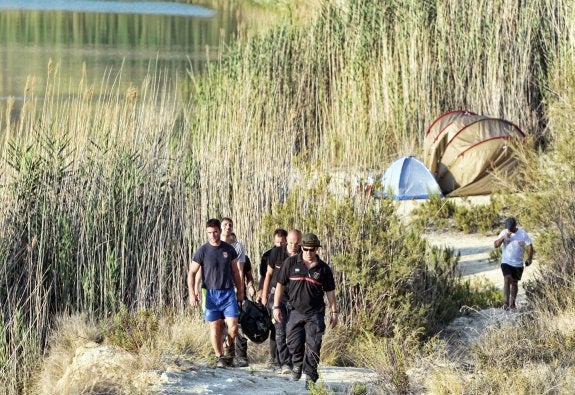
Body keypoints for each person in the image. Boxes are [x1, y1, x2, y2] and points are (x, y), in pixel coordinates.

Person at [273, 233, 338, 390]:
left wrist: (335, 312)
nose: (309, 252)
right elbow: (280, 284)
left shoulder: (323, 269)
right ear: (301, 248)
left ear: (317, 249)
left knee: (314, 346)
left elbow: (330, 292)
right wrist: (275, 306)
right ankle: (297, 364)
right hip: (295, 311)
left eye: (312, 249)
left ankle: (310, 376)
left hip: (315, 313)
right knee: (293, 343)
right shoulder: (290, 263)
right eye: (306, 249)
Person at [187, 218, 244, 368]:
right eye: (209, 233)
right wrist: (192, 293)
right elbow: (191, 273)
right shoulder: (202, 251)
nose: (213, 235)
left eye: (215, 232)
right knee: (215, 325)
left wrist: (241, 291)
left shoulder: (229, 249)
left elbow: (236, 272)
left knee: (233, 326)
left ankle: (230, 347)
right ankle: (220, 357)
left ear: (220, 231)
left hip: (228, 292)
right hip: (210, 294)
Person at [262, 229, 301, 374]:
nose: (293, 246)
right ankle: (284, 363)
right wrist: (264, 295)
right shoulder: (276, 253)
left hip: (295, 298)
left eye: (296, 244)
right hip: (276, 296)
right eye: (290, 243)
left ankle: (288, 360)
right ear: (287, 241)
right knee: (279, 328)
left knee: (292, 330)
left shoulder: (303, 255)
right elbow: (268, 274)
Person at [257, 228, 288, 369]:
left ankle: (285, 359)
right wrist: (262, 293)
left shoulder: (292, 254)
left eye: (282, 242)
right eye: (277, 242)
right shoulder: (268, 255)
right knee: (275, 327)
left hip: (288, 295)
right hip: (272, 293)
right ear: (273, 241)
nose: (280, 245)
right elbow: (265, 276)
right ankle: (274, 359)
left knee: (285, 328)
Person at [494, 217, 534, 310]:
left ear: (515, 226)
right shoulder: (504, 232)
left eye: (511, 228)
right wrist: (503, 237)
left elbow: (529, 246)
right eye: (508, 228)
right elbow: (495, 245)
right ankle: (506, 303)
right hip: (506, 262)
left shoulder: (522, 233)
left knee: (515, 283)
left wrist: (529, 258)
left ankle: (512, 304)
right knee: (507, 279)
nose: (509, 230)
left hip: (518, 263)